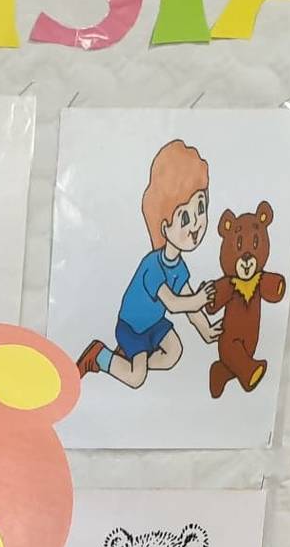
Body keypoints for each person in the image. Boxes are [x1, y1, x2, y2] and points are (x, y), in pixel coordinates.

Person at [78, 138, 218, 389]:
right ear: (164, 227)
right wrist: (199, 299)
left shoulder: (179, 267)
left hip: (154, 324)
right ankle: (100, 356)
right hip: (132, 327)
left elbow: (189, 304)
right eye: (184, 218)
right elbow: (174, 304)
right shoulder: (153, 266)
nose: (196, 224)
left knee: (174, 352)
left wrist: (206, 330)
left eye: (200, 207)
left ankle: (126, 360)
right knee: (136, 378)